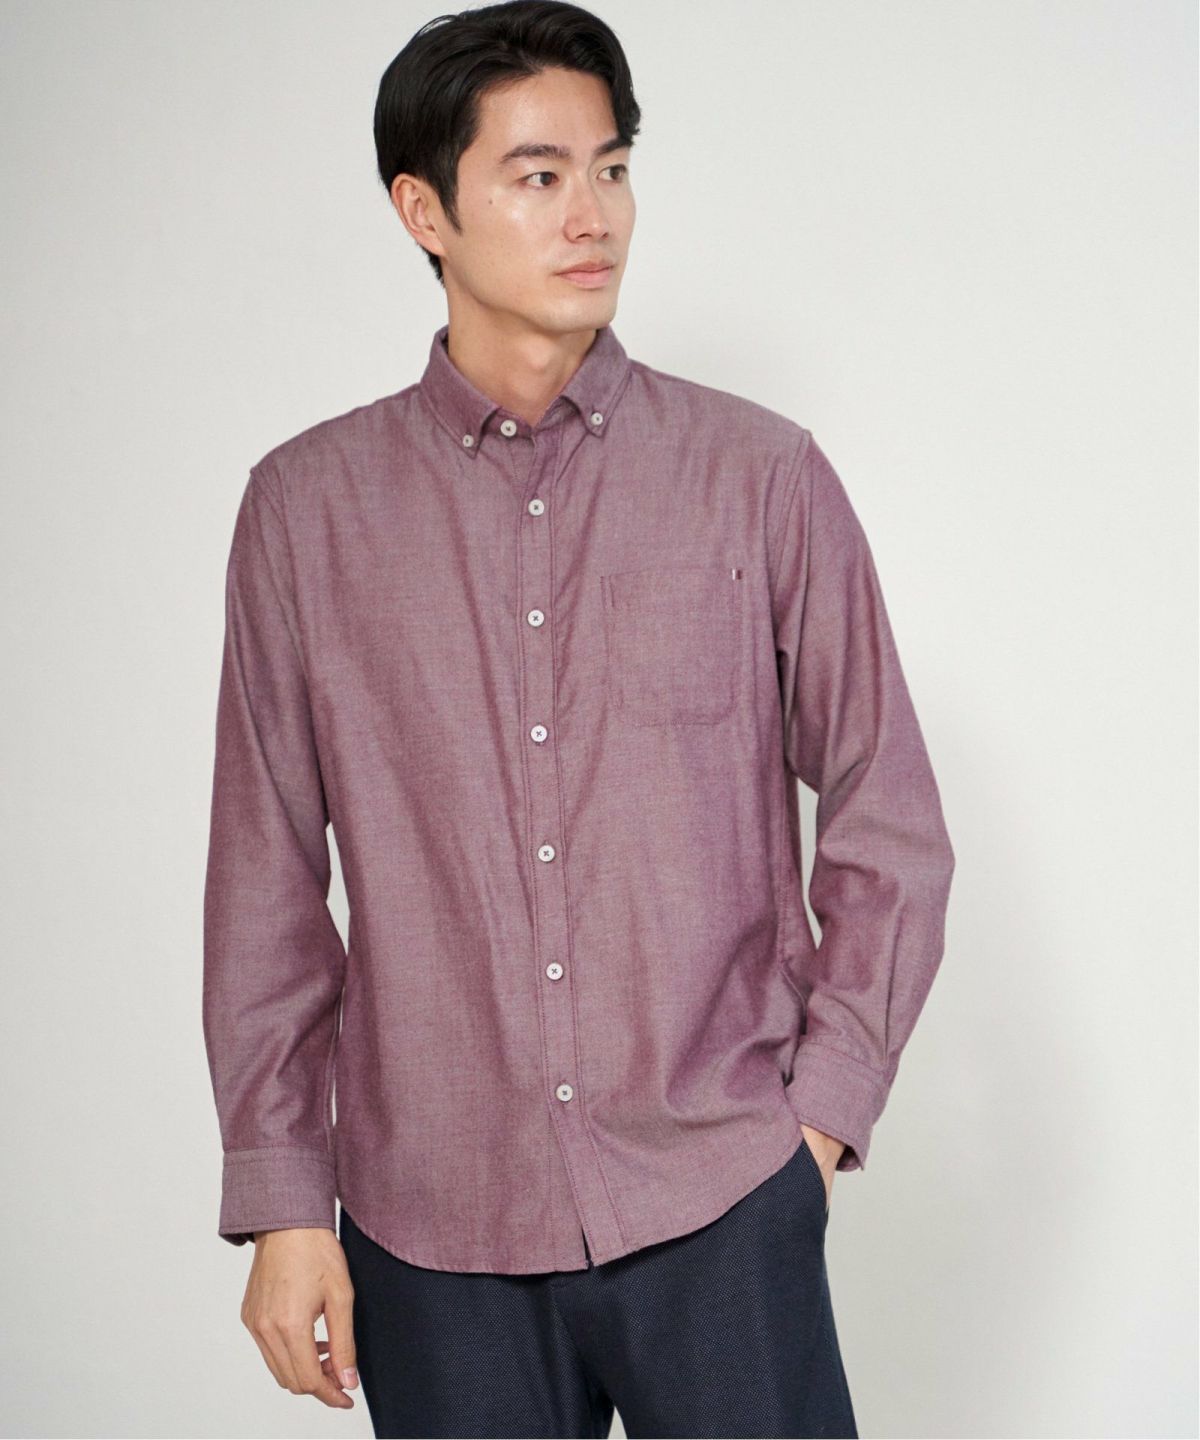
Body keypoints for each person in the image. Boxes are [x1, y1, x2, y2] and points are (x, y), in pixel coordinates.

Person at [201, 3, 956, 1435]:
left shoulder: (760, 478)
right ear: (424, 209)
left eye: (611, 168)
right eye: (538, 176)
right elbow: (265, 879)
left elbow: (889, 814)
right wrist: (287, 1200)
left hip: (719, 1194)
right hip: (433, 1227)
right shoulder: (306, 512)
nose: (592, 214)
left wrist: (817, 1120)